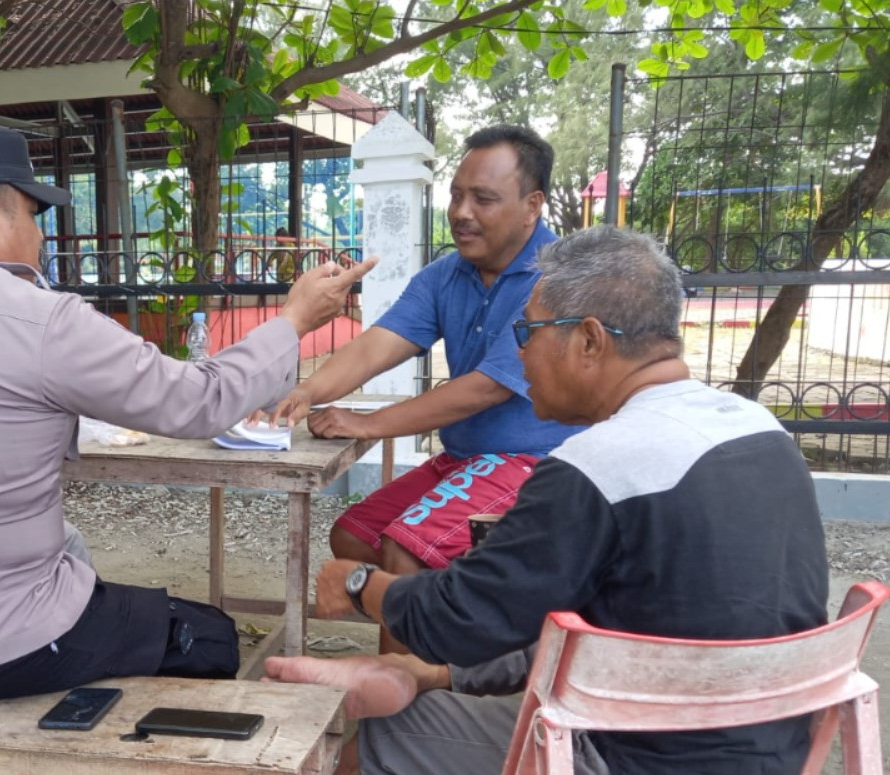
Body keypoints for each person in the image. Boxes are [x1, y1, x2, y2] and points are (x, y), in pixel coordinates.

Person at [0, 123, 376, 701]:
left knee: (68, 549)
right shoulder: (42, 321)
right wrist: (293, 319)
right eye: (33, 216)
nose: (41, 239)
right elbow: (197, 402)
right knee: (214, 637)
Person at [266, 225, 829, 775]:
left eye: (527, 333)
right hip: (770, 738)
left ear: (589, 340)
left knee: (388, 730)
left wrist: (358, 584)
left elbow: (462, 618)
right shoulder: (761, 430)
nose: (522, 357)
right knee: (426, 692)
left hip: (635, 752)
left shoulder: (597, 466)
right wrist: (430, 674)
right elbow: (591, 631)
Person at [268, 125, 582, 651]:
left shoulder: (556, 280)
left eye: (483, 199)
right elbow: (377, 345)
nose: (461, 212)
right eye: (456, 194)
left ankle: (399, 702)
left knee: (403, 549)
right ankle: (450, 639)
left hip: (537, 462)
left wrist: (369, 423)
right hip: (468, 460)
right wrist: (308, 393)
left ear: (532, 206)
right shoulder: (446, 275)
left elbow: (486, 389)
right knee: (353, 536)